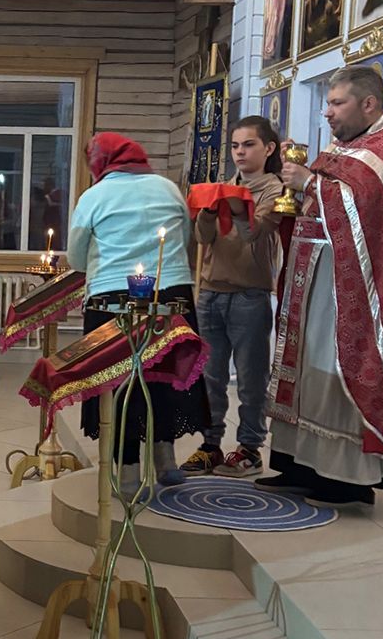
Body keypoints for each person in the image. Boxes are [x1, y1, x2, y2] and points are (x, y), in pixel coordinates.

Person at [256, 66, 383, 506]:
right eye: (327, 103)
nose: (327, 112)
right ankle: (299, 466)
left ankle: (342, 480)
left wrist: (310, 182)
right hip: (312, 281)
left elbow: (364, 210)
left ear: (368, 104)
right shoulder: (342, 148)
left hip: (350, 291)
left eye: (336, 103)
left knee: (335, 370)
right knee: (307, 370)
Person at [68, 132, 210, 491]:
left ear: (100, 162)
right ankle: (166, 458)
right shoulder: (168, 189)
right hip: (172, 292)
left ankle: (128, 470)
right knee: (164, 374)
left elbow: (76, 258)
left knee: (120, 381)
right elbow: (184, 238)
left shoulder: (94, 196)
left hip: (112, 298)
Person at [180, 116, 285, 478]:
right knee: (210, 376)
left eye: (249, 145)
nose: (240, 152)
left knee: (251, 377)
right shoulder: (225, 186)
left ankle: (250, 448)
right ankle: (210, 445)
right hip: (211, 291)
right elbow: (203, 237)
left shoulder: (275, 189)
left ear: (268, 149)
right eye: (235, 146)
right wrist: (209, 211)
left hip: (249, 294)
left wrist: (238, 206)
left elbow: (256, 232)